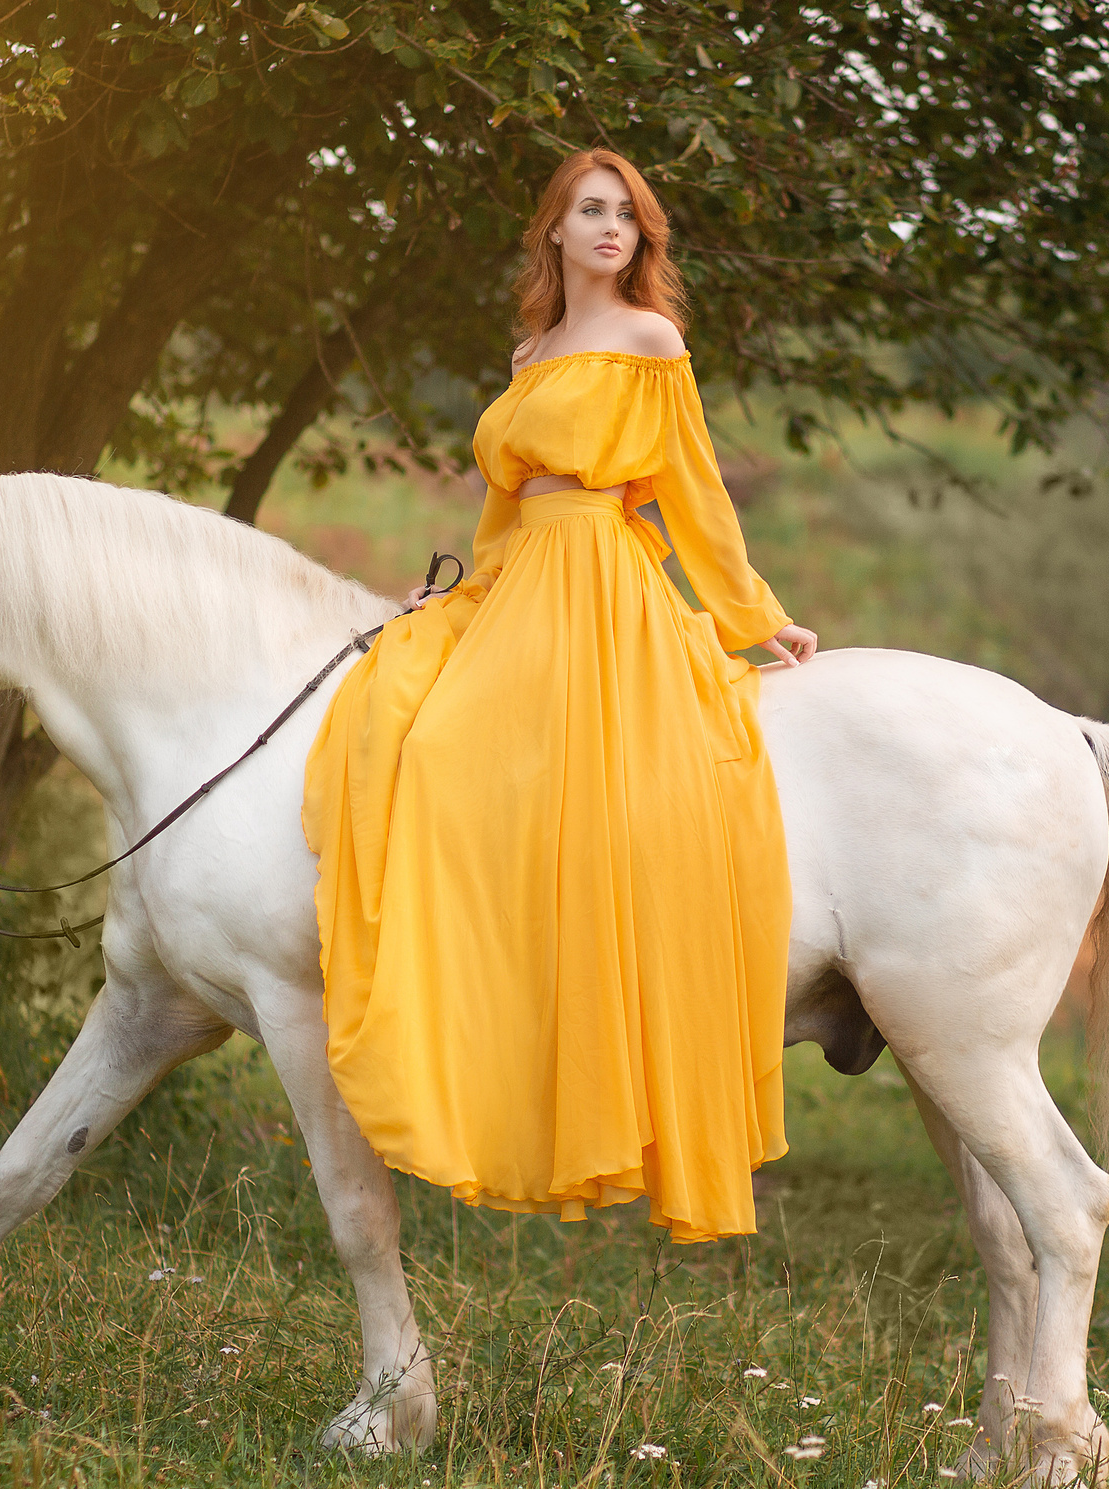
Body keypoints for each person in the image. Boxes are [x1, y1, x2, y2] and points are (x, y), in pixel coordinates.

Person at [301, 147, 817, 1242]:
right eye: (590, 210)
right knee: (429, 744)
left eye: (626, 215)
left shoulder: (650, 338)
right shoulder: (530, 352)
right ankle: (470, 1031)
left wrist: (753, 615)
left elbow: (693, 490)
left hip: (601, 583)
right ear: (555, 229)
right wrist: (460, 593)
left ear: (640, 239)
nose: (610, 227)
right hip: (524, 577)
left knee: (574, 792)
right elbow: (502, 511)